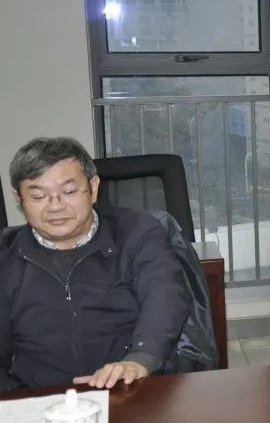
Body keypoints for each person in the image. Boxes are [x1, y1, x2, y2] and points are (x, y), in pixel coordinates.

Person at [0, 137, 192, 391]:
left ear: (93, 187)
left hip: (129, 387)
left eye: (69, 192)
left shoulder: (138, 233)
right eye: (38, 196)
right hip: (39, 397)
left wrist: (140, 359)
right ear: (19, 198)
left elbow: (165, 297)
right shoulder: (6, 255)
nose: (55, 206)